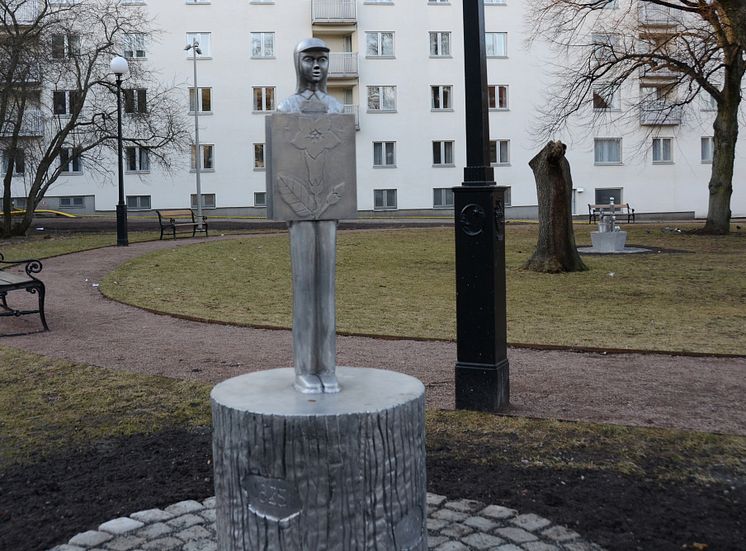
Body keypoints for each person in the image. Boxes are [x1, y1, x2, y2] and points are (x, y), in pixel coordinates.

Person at [277, 38, 344, 115]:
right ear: (297, 63)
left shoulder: (336, 106)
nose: (316, 66)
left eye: (322, 60)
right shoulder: (286, 106)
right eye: (308, 60)